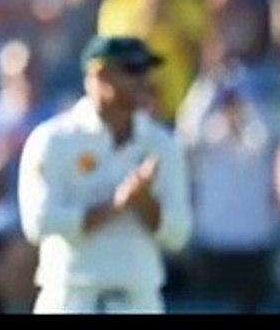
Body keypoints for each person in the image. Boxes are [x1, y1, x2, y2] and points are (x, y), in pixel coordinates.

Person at [17, 35, 193, 313]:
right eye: (132, 70)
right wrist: (115, 205)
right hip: (73, 297)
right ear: (99, 74)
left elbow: (178, 233)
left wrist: (144, 203)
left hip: (139, 298)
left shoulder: (162, 143)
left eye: (145, 71)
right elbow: (38, 222)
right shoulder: (53, 139)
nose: (143, 81)